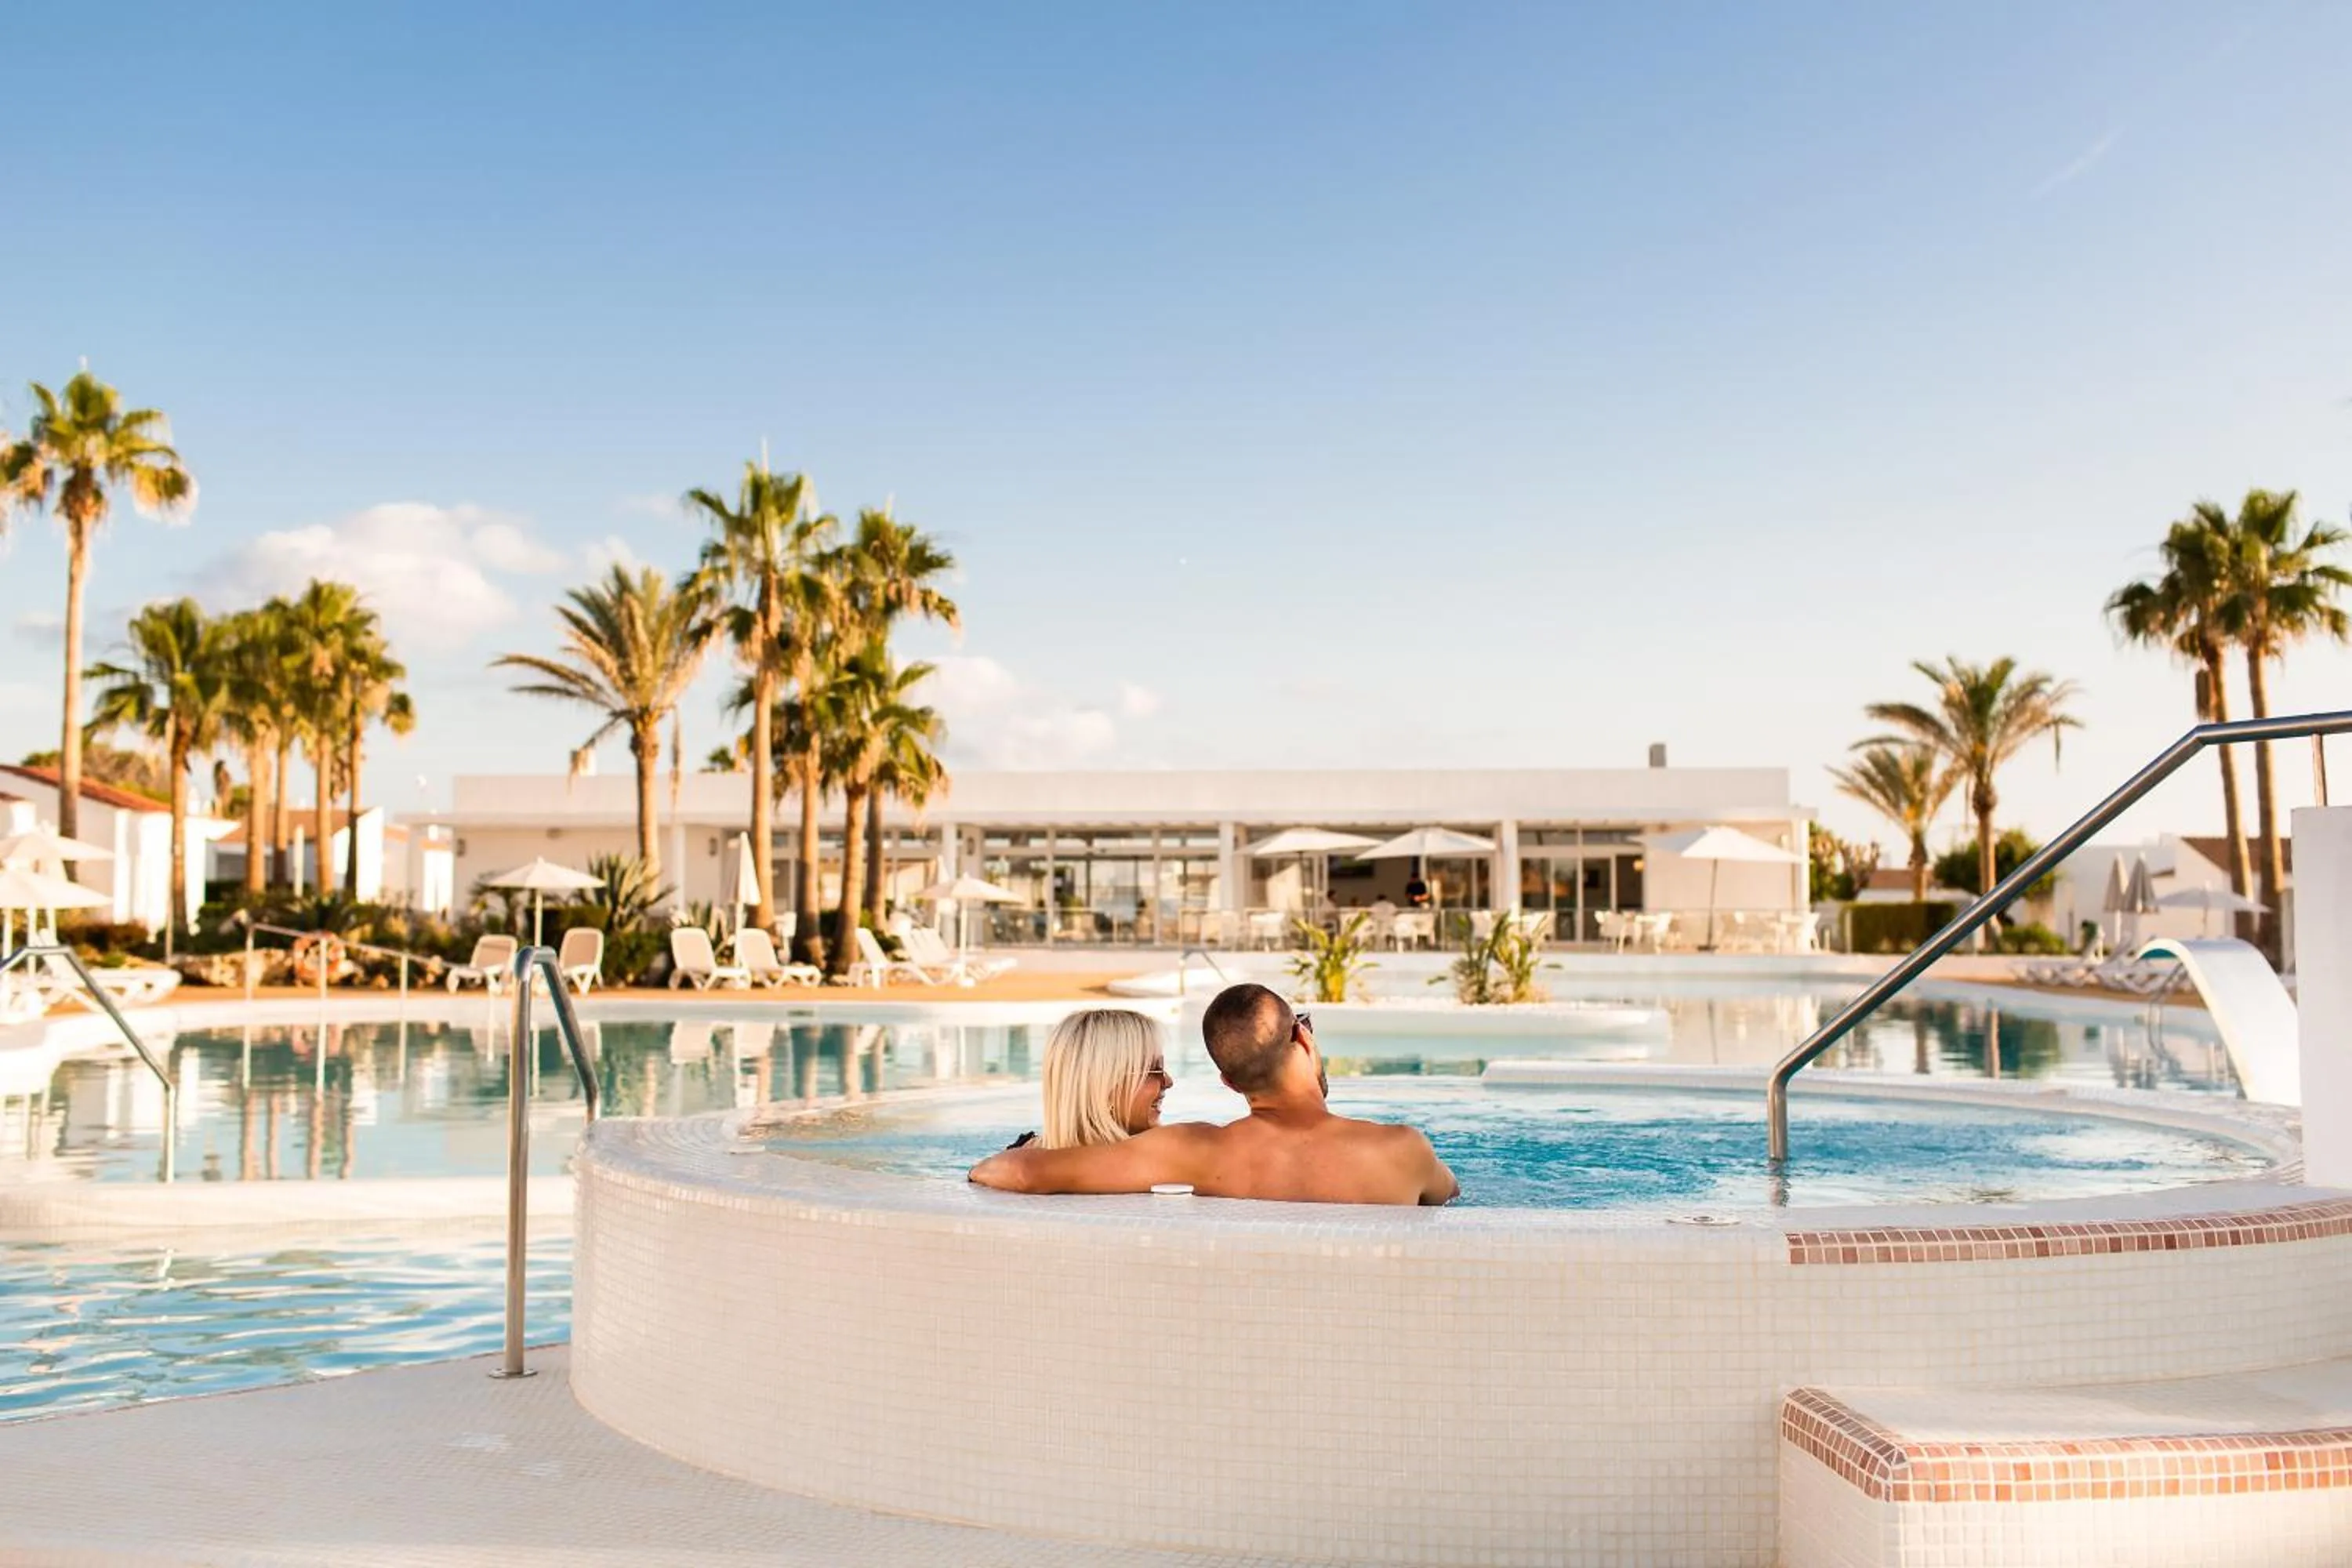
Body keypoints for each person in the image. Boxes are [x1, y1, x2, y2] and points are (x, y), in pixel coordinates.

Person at [969, 983, 1457, 1206]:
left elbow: (1020, 1171)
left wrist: (983, 1167)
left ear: (1229, 1083)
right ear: (1303, 1039)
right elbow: (1452, 1198)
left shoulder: (1189, 1152)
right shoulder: (1404, 1150)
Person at [1021, 1007, 1172, 1149]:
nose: (1168, 1082)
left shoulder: (1016, 1164)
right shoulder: (1161, 1169)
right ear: (1104, 1086)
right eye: (1154, 1071)